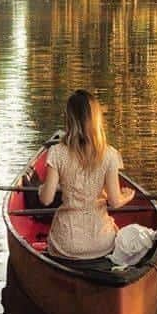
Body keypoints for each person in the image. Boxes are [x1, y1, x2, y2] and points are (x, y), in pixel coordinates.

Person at [38, 89, 134, 259]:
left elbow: (46, 199)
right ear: (96, 119)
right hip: (101, 244)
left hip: (65, 245)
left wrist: (41, 189)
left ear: (69, 119)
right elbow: (114, 201)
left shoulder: (57, 152)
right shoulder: (110, 154)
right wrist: (127, 196)